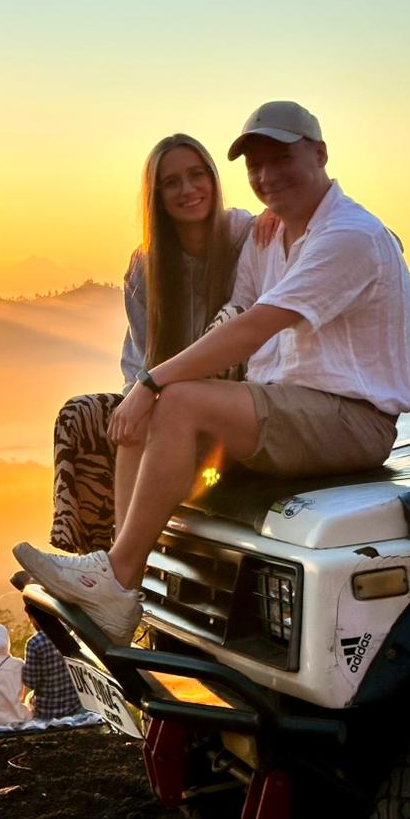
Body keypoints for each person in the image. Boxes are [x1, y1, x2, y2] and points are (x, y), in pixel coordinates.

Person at [16, 101, 410, 645]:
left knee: (173, 399)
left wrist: (154, 380)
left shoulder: (347, 235)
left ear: (321, 154)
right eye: (255, 165)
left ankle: (115, 576)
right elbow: (239, 309)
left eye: (282, 158)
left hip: (352, 420)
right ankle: (115, 579)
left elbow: (255, 327)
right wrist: (149, 389)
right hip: (288, 405)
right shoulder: (267, 237)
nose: (266, 175)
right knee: (152, 407)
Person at [52, 132, 261, 554]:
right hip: (161, 402)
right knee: (80, 416)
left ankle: (119, 568)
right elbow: (139, 361)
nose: (188, 190)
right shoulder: (146, 265)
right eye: (172, 182)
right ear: (156, 195)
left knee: (214, 339)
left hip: (229, 411)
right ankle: (90, 564)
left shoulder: (247, 235)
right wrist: (139, 405)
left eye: (196, 175)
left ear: (213, 178)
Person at [21, 626, 82, 721]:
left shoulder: (34, 643)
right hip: (74, 705)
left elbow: (31, 682)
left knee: (29, 700)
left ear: (34, 618)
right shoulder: (71, 633)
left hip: (47, 710)